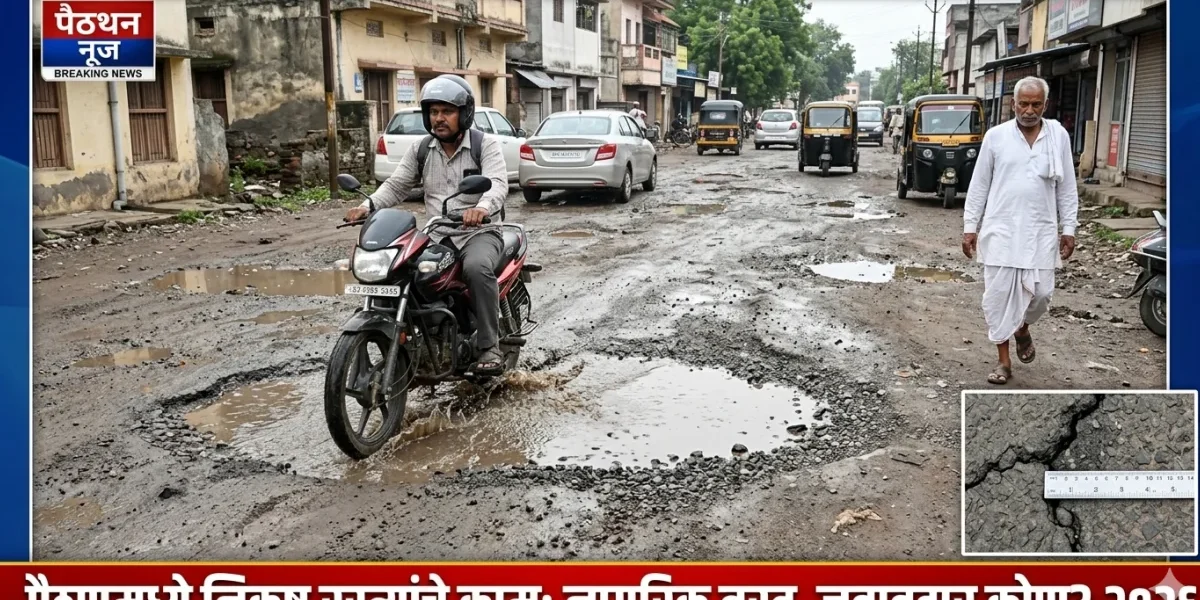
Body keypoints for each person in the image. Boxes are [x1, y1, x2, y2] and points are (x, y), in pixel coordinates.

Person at [344, 74, 510, 375]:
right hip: (437, 235)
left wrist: (481, 208)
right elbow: (396, 185)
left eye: (446, 111)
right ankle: (414, 335)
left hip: (479, 232)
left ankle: (489, 346)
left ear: (464, 113)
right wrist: (366, 206)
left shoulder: (484, 145)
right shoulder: (422, 149)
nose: (439, 119)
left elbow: (497, 184)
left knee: (475, 268)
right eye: (433, 112)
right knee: (404, 271)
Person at [962, 76, 1079, 385]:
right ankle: (1003, 362)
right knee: (999, 297)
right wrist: (969, 227)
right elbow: (979, 185)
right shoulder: (995, 137)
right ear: (1012, 104)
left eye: (1035, 104)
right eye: (1023, 104)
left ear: (1045, 105)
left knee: (1041, 295)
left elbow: (1067, 187)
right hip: (1000, 231)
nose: (1029, 110)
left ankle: (1022, 328)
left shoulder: (1058, 137)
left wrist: (1069, 229)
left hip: (1040, 233)